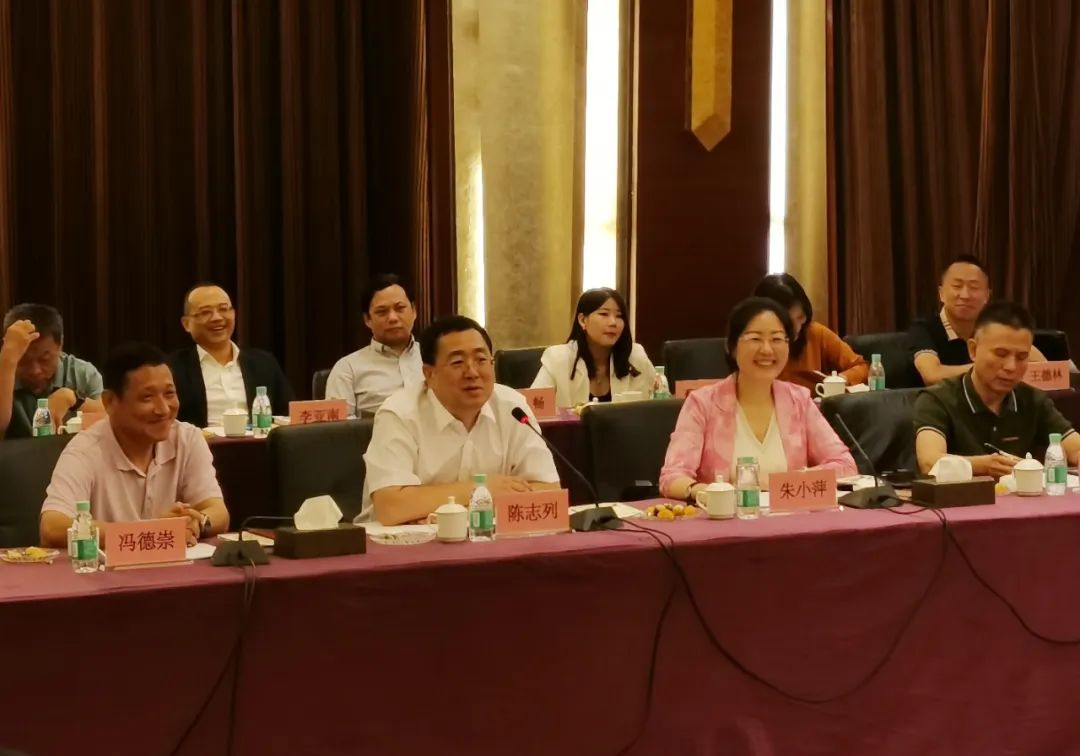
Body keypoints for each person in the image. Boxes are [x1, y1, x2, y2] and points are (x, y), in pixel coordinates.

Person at [361, 315, 561, 526]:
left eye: (481, 360)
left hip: (487, 537)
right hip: (399, 540)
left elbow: (548, 491)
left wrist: (460, 511)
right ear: (429, 374)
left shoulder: (513, 407)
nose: (472, 373)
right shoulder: (399, 414)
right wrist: (483, 489)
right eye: (457, 362)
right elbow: (391, 506)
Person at [659, 297, 857, 501]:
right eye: (755, 339)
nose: (767, 350)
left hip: (791, 517)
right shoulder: (702, 404)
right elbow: (672, 477)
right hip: (727, 518)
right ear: (731, 346)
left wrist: (788, 483)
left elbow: (845, 465)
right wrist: (704, 492)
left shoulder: (799, 400)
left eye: (777, 339)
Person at [40, 343, 229, 548]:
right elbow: (52, 528)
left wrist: (197, 522)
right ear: (110, 402)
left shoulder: (187, 438)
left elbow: (218, 511)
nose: (163, 409)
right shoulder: (85, 450)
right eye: (147, 397)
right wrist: (150, 533)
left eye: (169, 394)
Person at [913, 301, 1079, 479]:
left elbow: (1075, 447)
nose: (1011, 367)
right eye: (1001, 354)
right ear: (973, 350)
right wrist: (985, 465)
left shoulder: (1033, 399)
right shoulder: (937, 399)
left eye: (1021, 357)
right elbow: (929, 462)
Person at [168, 283, 294, 427]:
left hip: (258, 440)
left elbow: (287, 415)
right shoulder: (172, 368)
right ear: (186, 324)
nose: (217, 317)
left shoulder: (263, 363)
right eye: (205, 312)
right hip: (200, 441)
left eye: (223, 309)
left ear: (234, 314)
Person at [909, 255, 1044, 386]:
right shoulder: (924, 329)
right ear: (941, 293)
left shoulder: (993, 327)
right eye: (957, 286)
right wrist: (988, 368)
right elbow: (932, 376)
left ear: (986, 296)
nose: (965, 295)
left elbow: (1042, 366)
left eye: (974, 287)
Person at [531, 288, 656, 407]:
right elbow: (534, 408)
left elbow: (659, 401)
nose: (613, 322)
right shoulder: (557, 358)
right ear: (582, 320)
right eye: (604, 314)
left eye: (619, 316)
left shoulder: (635, 356)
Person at [0, 303, 104, 439]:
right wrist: (7, 361)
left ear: (60, 345)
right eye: (23, 361)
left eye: (44, 360)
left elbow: (110, 423)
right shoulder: (5, 365)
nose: (35, 371)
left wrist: (74, 399)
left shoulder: (82, 373)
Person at [325, 274, 423, 417]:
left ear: (414, 311)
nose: (393, 318)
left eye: (399, 308)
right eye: (382, 312)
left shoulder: (436, 358)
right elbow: (339, 427)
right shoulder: (347, 369)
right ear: (367, 319)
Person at [754, 273, 868, 388]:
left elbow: (861, 366)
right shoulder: (751, 346)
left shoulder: (814, 333)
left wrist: (839, 380)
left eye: (800, 317)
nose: (797, 327)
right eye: (788, 323)